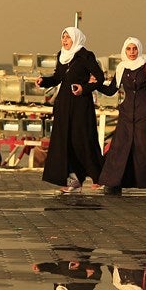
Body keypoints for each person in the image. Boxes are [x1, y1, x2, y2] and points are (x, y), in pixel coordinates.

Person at [36, 26, 106, 194]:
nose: (65, 40)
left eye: (68, 37)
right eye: (63, 37)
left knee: (82, 140)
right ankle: (73, 179)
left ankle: (99, 176)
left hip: (81, 104)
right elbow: (58, 77)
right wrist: (43, 81)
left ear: (76, 38)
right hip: (63, 105)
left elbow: (100, 78)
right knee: (65, 142)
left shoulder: (86, 55)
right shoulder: (62, 55)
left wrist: (84, 88)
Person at [95, 37, 146, 196]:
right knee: (120, 149)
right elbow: (111, 90)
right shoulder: (122, 67)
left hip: (144, 115)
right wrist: (95, 84)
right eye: (129, 49)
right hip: (126, 114)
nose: (132, 52)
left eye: (134, 48)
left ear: (139, 49)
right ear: (124, 50)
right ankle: (113, 183)